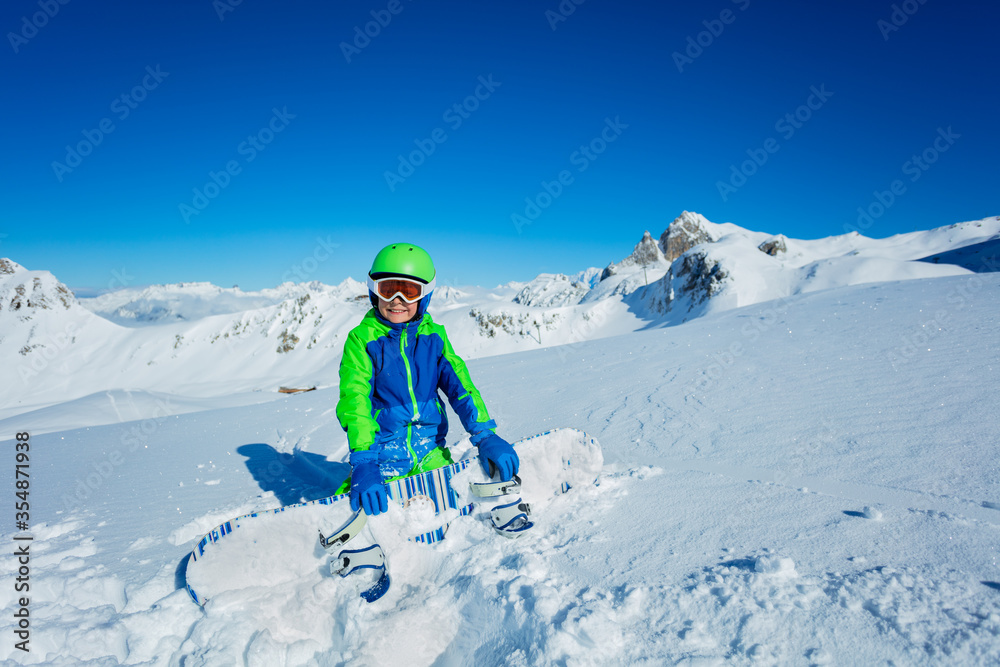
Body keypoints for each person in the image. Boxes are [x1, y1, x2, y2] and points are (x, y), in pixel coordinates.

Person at [335, 242, 519, 516]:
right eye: (388, 289)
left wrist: (484, 434)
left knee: (457, 491)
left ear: (425, 296)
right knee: (369, 502)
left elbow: (461, 388)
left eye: (409, 291)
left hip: (430, 450)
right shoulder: (362, 340)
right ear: (374, 292)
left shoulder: (434, 337)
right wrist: (364, 460)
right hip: (382, 455)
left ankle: (496, 509)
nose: (398, 299)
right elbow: (355, 399)